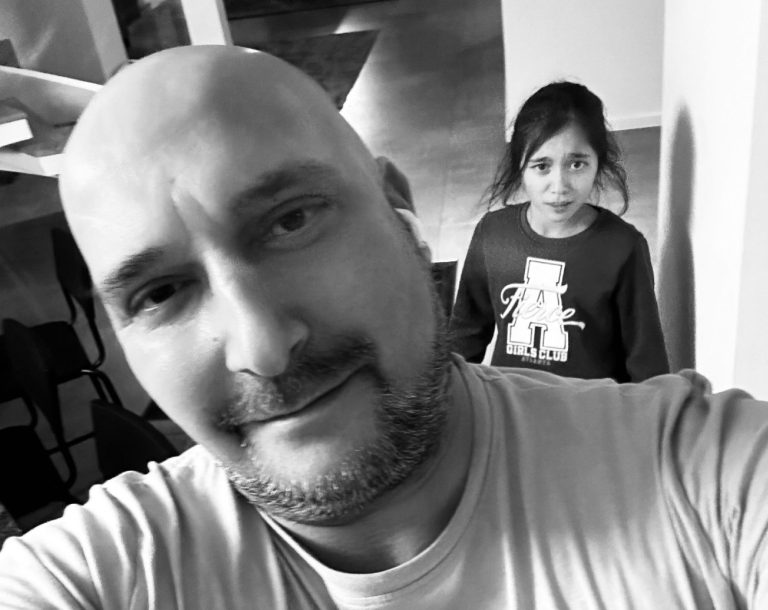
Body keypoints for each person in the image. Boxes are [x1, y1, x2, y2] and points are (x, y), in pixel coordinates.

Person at [0, 45, 766, 609]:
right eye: (161, 292)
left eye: (291, 221)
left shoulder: (703, 474)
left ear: (402, 212)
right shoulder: (103, 573)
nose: (262, 347)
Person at [449, 81, 669, 382]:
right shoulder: (493, 233)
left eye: (576, 164)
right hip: (512, 402)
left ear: (598, 163)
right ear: (520, 167)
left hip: (591, 406)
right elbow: (464, 336)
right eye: (542, 166)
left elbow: (647, 363)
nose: (559, 186)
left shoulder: (623, 247)